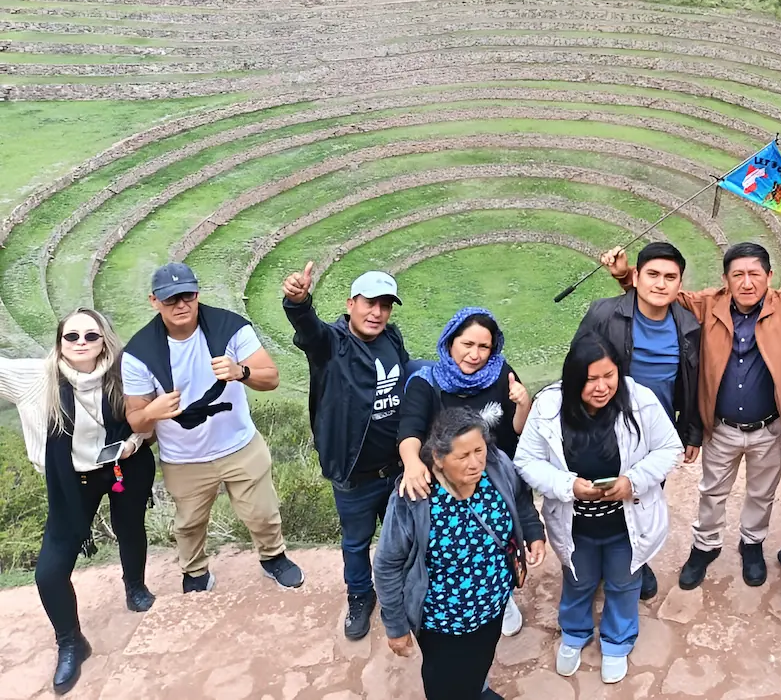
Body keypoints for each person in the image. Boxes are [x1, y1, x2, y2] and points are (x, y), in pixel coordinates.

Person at [603, 217, 781, 589]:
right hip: (722, 427)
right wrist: (625, 275)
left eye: (755, 274)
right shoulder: (708, 305)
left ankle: (752, 543)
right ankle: (706, 545)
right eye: (738, 274)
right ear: (725, 279)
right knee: (712, 491)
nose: (747, 282)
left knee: (762, 493)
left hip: (769, 426)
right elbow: (662, 293)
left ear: (769, 276)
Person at [0, 308, 156, 694]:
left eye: (91, 335)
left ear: (105, 339)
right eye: (72, 337)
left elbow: (149, 418)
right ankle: (71, 641)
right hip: (72, 481)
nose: (81, 343)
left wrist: (134, 442)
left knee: (130, 527)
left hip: (126, 465)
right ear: (60, 342)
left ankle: (135, 586)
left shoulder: (125, 371)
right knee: (49, 572)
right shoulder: (38, 377)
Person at [123, 262, 302, 592]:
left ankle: (273, 556)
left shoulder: (230, 328)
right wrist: (152, 410)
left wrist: (241, 372)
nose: (181, 305)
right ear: (154, 301)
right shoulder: (138, 354)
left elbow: (271, 377)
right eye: (170, 299)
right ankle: (195, 572)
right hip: (183, 456)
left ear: (197, 293)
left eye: (187, 295)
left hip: (239, 444)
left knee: (263, 512)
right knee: (188, 524)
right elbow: (134, 418)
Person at [515, 333, 683, 685]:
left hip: (627, 520)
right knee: (578, 580)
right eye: (591, 379)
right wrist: (568, 486)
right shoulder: (549, 408)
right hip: (576, 524)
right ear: (574, 378)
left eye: (609, 376)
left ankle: (617, 641)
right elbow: (526, 461)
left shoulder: (640, 400)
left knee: (624, 583)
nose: (602, 387)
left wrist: (632, 482)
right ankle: (574, 634)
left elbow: (670, 448)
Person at [282, 264, 418, 640]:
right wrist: (298, 303)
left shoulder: (392, 337)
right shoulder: (332, 344)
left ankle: (404, 591)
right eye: (370, 303)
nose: (377, 312)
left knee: (404, 538)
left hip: (395, 469)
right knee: (356, 542)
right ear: (351, 304)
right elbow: (308, 329)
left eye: (385, 305)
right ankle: (360, 596)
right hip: (353, 472)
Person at [374, 406, 546, 700]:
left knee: (478, 666)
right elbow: (387, 565)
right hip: (444, 622)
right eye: (463, 456)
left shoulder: (497, 466)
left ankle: (477, 688)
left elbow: (519, 498)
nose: (475, 463)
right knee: (445, 685)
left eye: (479, 450)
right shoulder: (414, 497)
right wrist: (395, 625)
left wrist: (533, 532)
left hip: (493, 604)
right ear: (438, 458)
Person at [578, 240, 701, 601]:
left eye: (670, 277)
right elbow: (578, 367)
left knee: (644, 498)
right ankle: (596, 560)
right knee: (600, 495)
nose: (660, 284)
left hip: (655, 434)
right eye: (653, 275)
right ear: (635, 277)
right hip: (606, 425)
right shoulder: (604, 314)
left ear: (680, 284)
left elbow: (692, 381)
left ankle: (635, 559)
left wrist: (691, 429)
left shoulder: (688, 325)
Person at [397, 306, 531, 636]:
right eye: (467, 344)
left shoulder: (502, 374)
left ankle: (502, 596)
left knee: (498, 541)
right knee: (453, 550)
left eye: (483, 347)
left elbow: (516, 431)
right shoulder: (427, 383)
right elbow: (410, 430)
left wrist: (524, 403)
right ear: (450, 342)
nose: (474, 354)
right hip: (448, 484)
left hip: (496, 480)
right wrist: (412, 463)